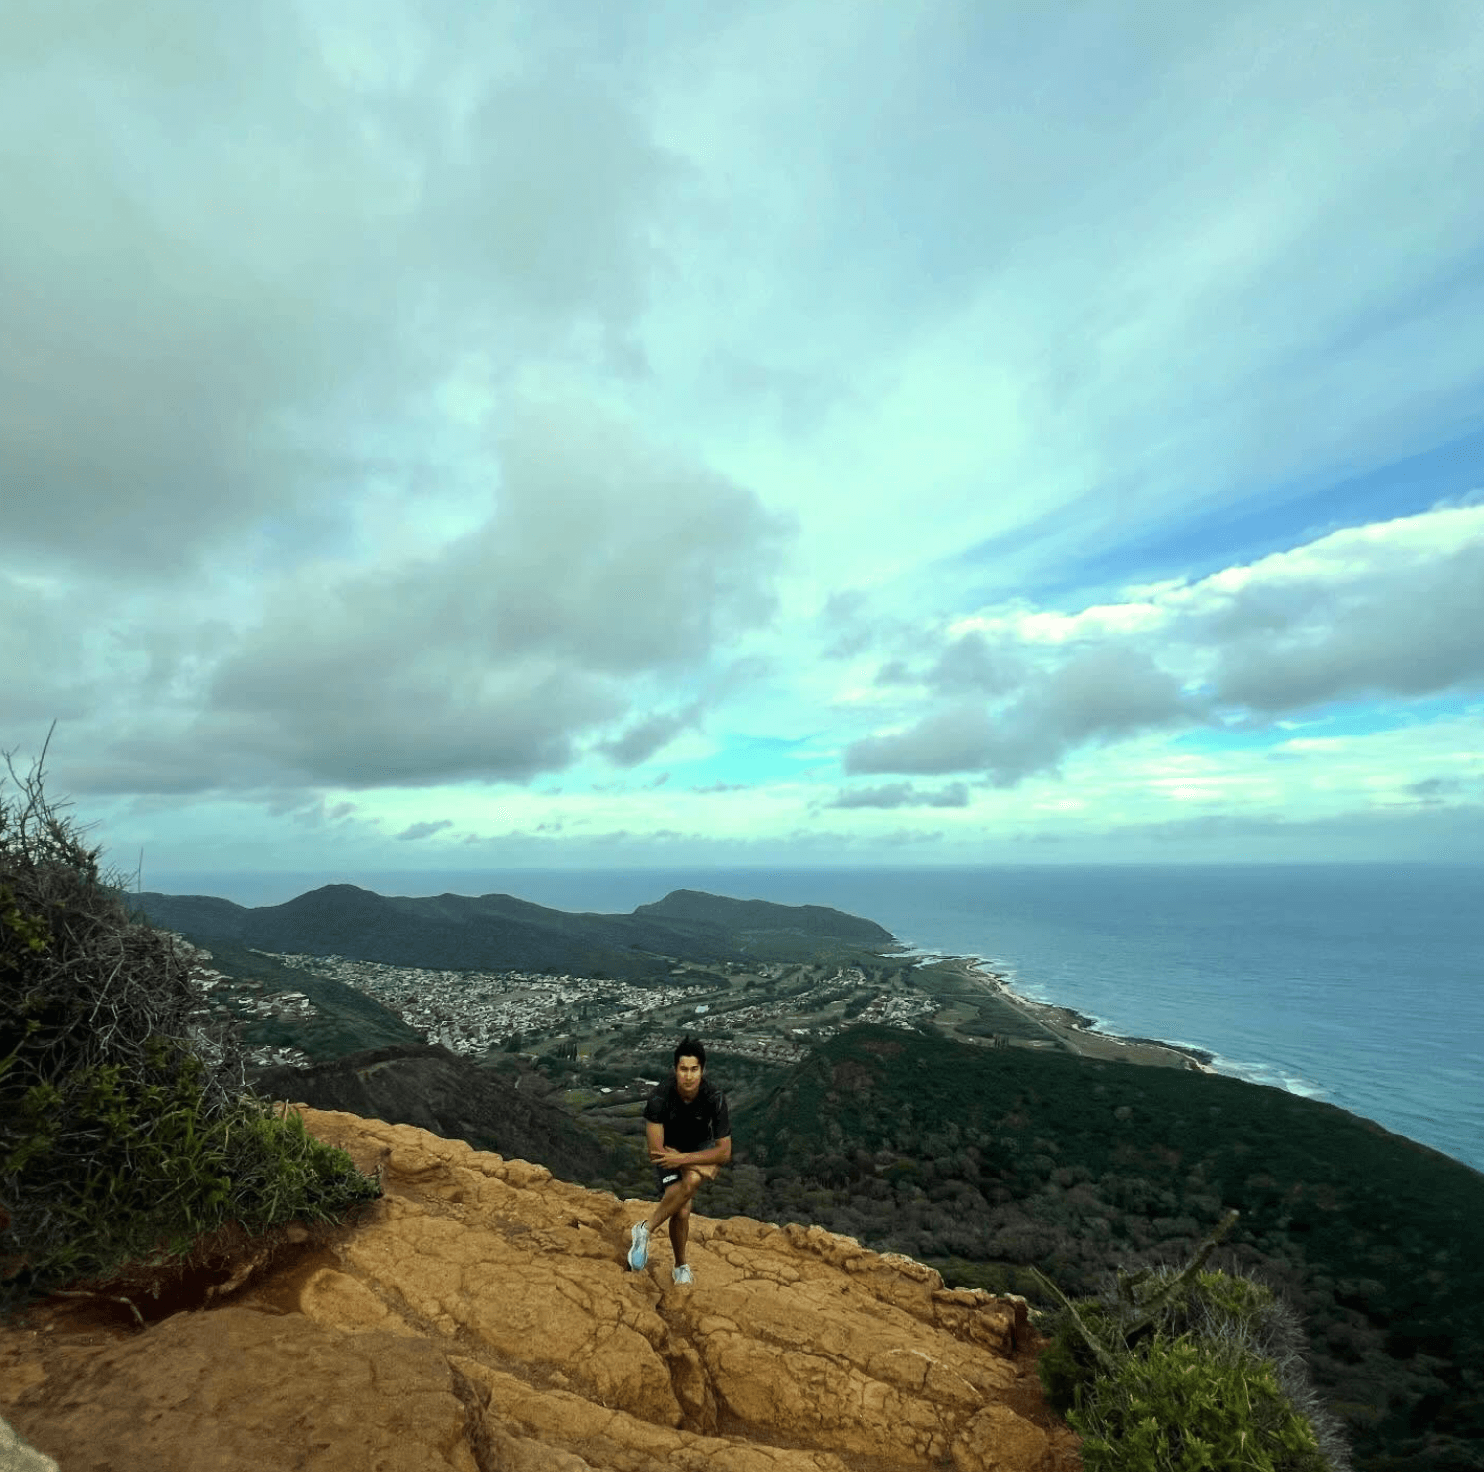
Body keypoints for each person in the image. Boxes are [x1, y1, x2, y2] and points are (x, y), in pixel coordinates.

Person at [627, 1036, 731, 1285]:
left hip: (691, 1149)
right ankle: (680, 1265)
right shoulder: (660, 1098)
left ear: (702, 1070)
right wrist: (702, 1163)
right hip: (667, 1150)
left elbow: (724, 1152)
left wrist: (684, 1159)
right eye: (683, 1069)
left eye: (694, 1069)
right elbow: (655, 1152)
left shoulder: (714, 1097)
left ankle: (644, 1229)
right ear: (675, 1070)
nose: (689, 1075)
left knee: (691, 1181)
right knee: (683, 1209)